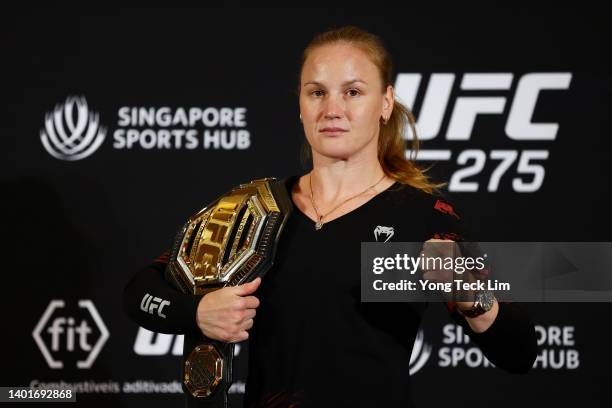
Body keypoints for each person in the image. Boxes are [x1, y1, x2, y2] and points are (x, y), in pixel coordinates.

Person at [124, 25, 538, 407]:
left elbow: (521, 351)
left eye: (353, 92)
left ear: (386, 103)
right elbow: (141, 292)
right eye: (316, 92)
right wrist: (196, 313)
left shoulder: (423, 217)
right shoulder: (254, 209)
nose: (332, 109)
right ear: (300, 106)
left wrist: (473, 298)